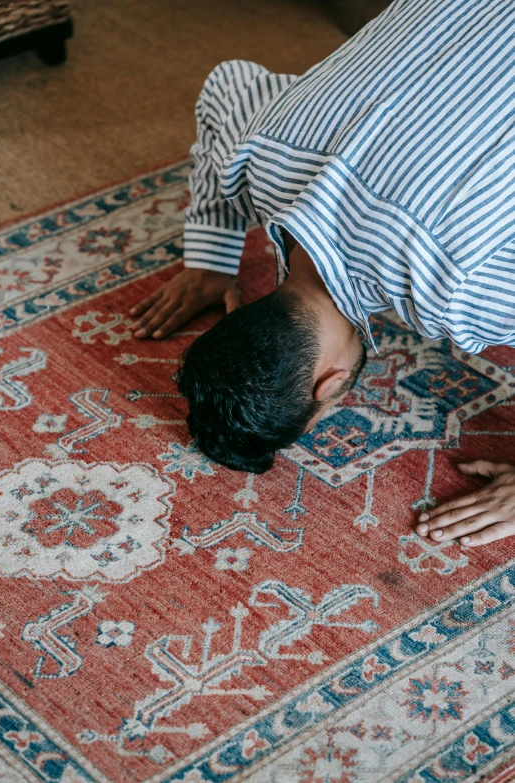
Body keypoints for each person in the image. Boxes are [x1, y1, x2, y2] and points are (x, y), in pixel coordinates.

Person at [129, 0, 515, 548]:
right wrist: (211, 256)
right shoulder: (251, 159)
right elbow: (228, 84)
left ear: (330, 386)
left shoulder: (457, 295)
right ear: (245, 311)